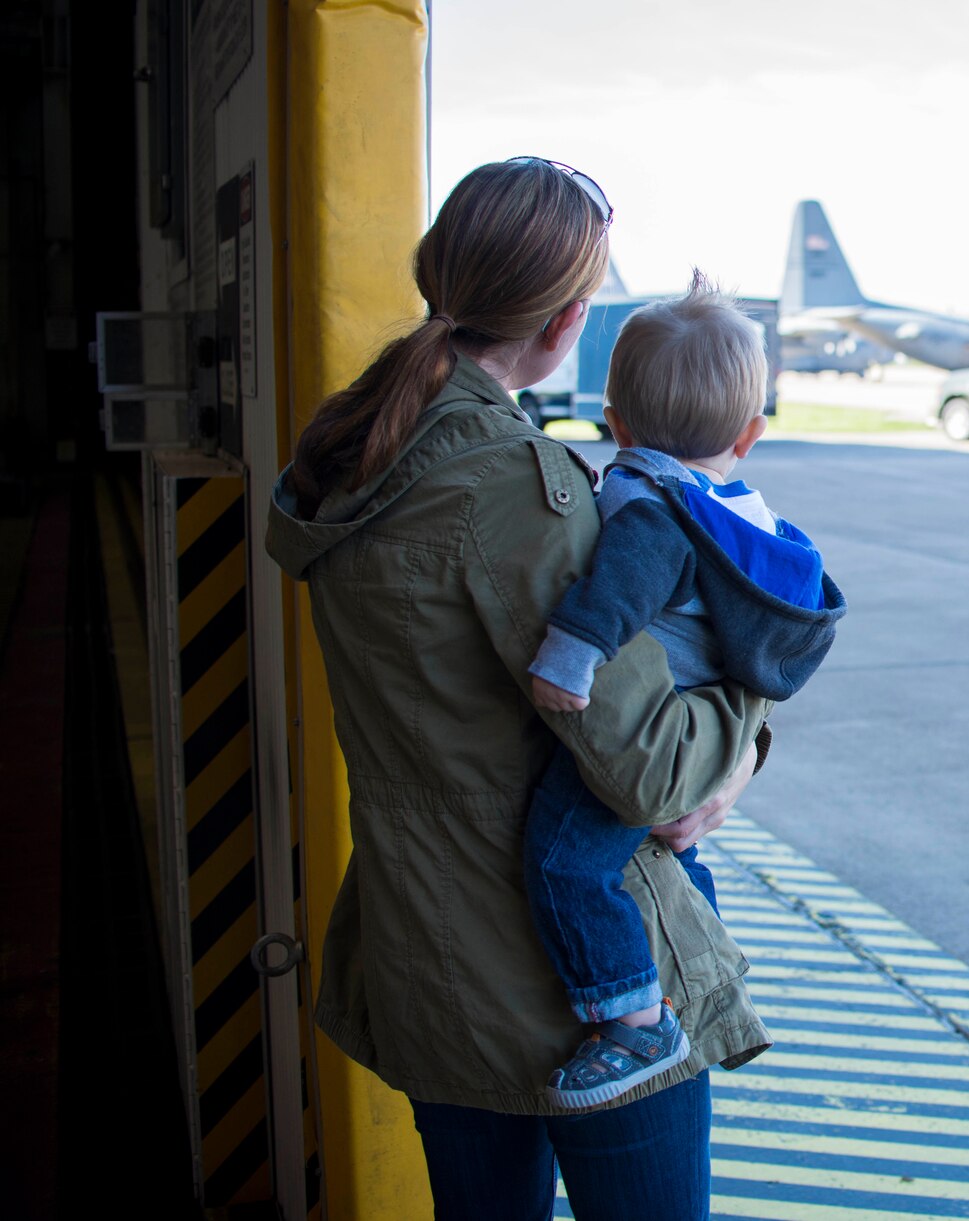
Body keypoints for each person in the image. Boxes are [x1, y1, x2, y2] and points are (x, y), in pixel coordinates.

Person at [264, 158, 769, 1221]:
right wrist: (747, 716)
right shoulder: (517, 493)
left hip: (427, 962)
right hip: (582, 995)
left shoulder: (360, 454)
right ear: (568, 319)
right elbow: (652, 772)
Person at [521, 274, 844, 1110]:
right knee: (672, 856)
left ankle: (631, 1014)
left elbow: (621, 590)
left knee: (562, 862)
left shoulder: (651, 505)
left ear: (615, 423)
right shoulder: (740, 508)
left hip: (640, 731)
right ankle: (690, 962)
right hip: (697, 721)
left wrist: (567, 658)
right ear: (751, 434)